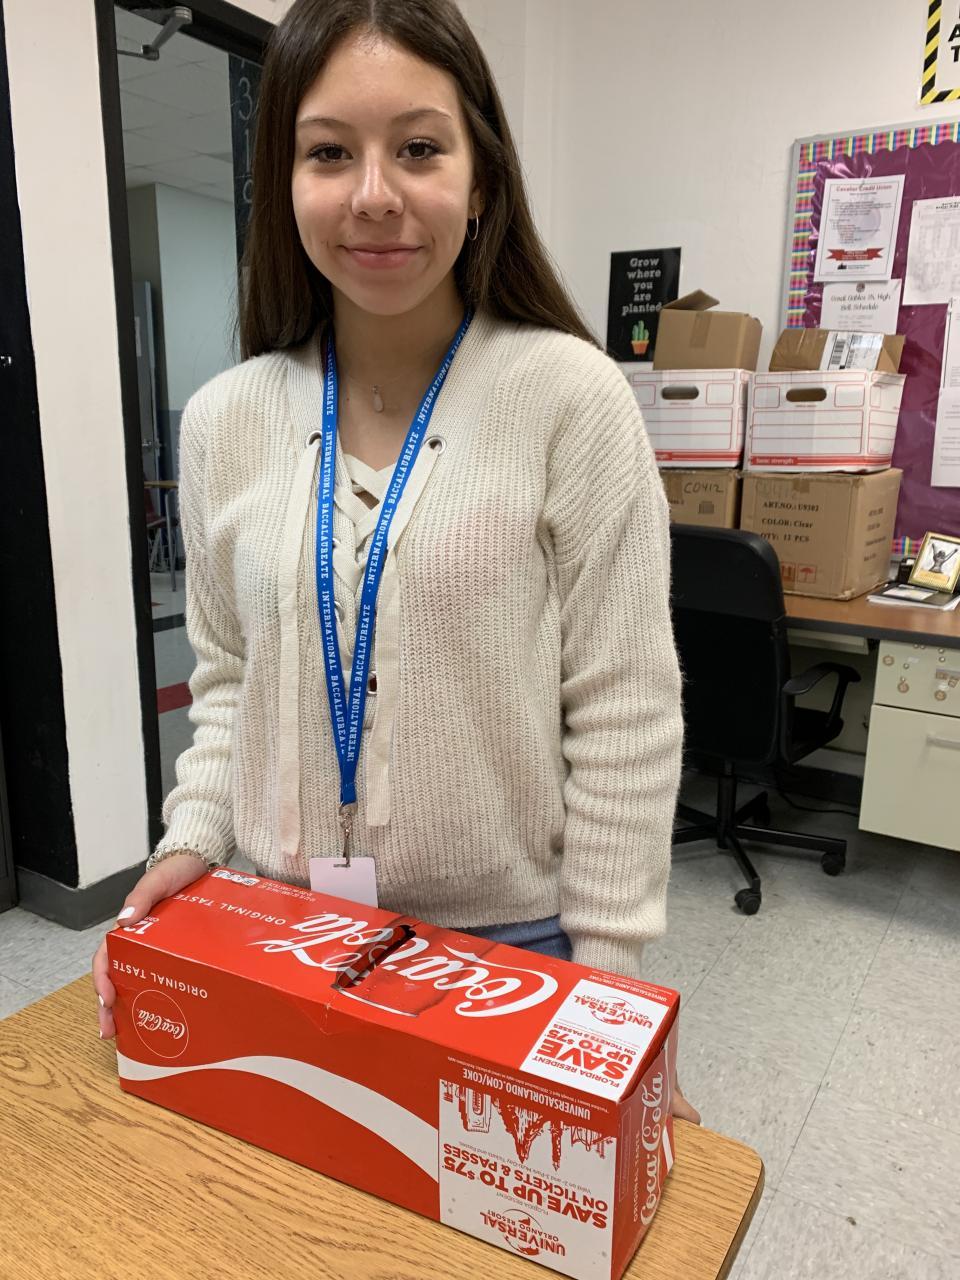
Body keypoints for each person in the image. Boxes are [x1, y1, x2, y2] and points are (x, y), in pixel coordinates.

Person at [93, 0, 697, 1122]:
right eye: (329, 152)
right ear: (284, 182)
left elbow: (625, 708)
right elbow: (228, 680)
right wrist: (193, 839)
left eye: (419, 147)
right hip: (281, 936)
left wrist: (610, 992)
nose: (374, 194)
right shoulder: (226, 419)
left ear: (483, 178)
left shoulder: (571, 399)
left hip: (510, 956)